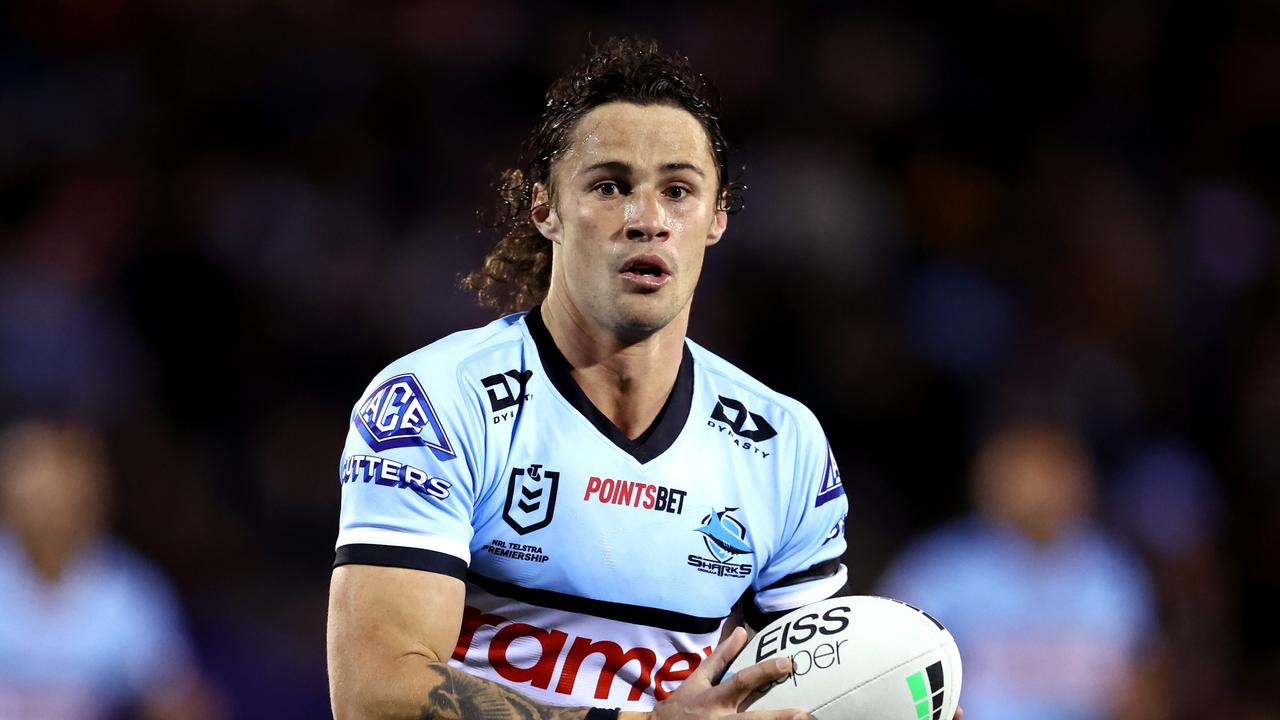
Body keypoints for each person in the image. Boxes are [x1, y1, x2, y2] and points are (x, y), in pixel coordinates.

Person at [327, 37, 857, 720]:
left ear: (717, 218)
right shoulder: (437, 401)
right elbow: (376, 695)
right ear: (545, 207)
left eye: (678, 191)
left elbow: (812, 688)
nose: (647, 221)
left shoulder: (782, 443)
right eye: (610, 186)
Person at [877, 420, 1158, 720]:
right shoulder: (940, 567)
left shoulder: (1112, 573)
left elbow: (1143, 685)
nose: (1045, 490)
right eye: (1030, 473)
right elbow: (883, 666)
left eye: (1056, 472)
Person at [0, 419, 220, 720]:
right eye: (36, 494)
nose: (49, 511)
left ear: (95, 500)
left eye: (64, 495)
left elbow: (179, 701)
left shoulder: (131, 596)